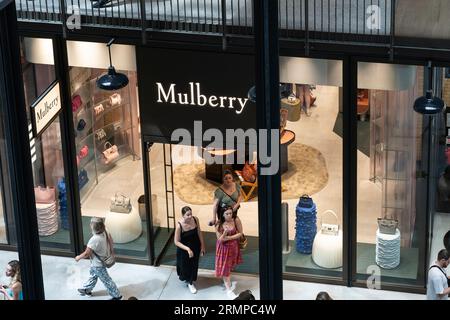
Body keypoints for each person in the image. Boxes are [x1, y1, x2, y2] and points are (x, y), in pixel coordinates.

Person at [75, 217, 122, 300]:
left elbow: (87, 253)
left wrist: (78, 257)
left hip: (98, 264)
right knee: (93, 275)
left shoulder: (94, 239)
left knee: (106, 280)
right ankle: (87, 289)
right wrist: (112, 252)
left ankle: (117, 296)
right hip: (103, 259)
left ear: (93, 227)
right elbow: (111, 241)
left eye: (91, 224)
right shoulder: (106, 231)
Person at [174, 206, 206, 294]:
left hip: (195, 246)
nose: (190, 216)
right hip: (184, 249)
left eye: (191, 214)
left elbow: (199, 232)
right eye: (187, 215)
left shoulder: (195, 220)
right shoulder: (179, 226)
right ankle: (188, 281)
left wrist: (202, 246)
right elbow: (176, 242)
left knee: (194, 265)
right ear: (183, 216)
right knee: (185, 266)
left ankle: (190, 281)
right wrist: (187, 249)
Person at [215, 205, 243, 298]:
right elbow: (220, 240)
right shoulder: (218, 224)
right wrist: (225, 233)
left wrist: (229, 237)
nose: (229, 215)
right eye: (227, 214)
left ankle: (227, 281)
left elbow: (240, 233)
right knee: (225, 269)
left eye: (230, 213)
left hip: (233, 247)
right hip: (224, 249)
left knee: (230, 266)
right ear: (222, 214)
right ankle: (228, 290)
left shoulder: (236, 220)